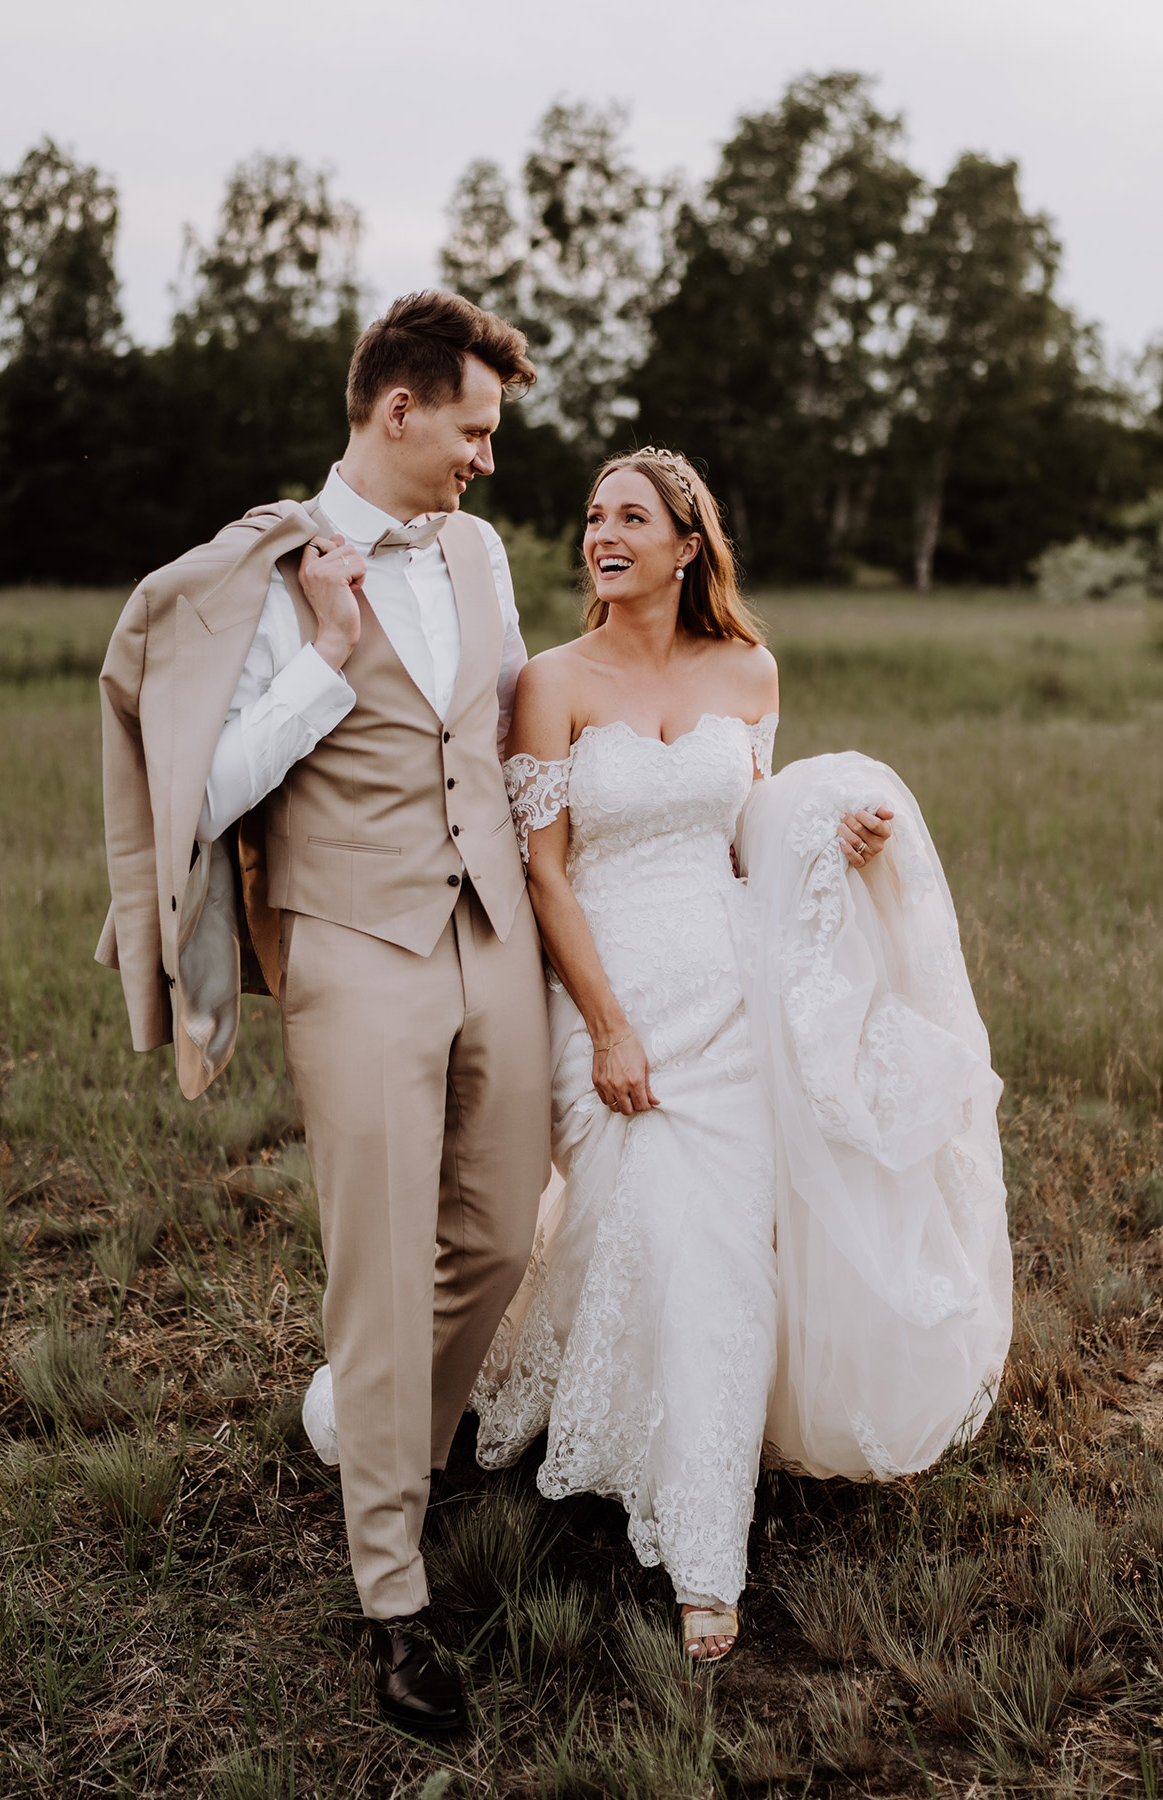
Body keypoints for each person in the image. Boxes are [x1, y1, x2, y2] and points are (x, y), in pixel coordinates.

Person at [461, 447, 1013, 1662]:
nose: (604, 534)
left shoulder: (751, 669)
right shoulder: (549, 682)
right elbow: (545, 869)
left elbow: (750, 834)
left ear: (688, 544)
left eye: (631, 518)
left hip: (729, 984)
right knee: (635, 1217)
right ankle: (590, 1417)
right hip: (610, 986)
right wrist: (604, 1022)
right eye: (594, 516)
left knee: (722, 1246)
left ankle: (708, 1559)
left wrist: (839, 829)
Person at [97, 291, 552, 1732]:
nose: (486, 459)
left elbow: (497, 726)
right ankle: (393, 1597)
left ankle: (371, 1435)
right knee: (374, 1263)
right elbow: (206, 792)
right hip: (355, 942)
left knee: (492, 1236)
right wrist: (321, 651)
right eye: (472, 430)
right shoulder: (263, 573)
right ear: (396, 409)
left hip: (497, 929)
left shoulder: (479, 552)